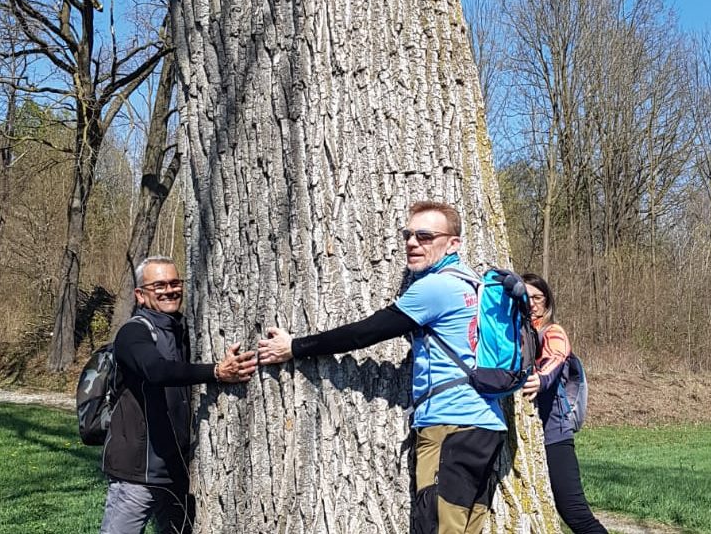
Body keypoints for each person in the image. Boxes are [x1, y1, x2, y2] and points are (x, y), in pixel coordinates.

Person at [258, 201, 507, 534]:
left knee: (435, 528)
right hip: (488, 427)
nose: (412, 243)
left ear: (453, 243)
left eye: (425, 236)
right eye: (408, 234)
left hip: (450, 427)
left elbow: (365, 332)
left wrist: (295, 347)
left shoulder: (435, 288)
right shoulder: (475, 285)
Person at [100, 256, 258, 534]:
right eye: (158, 285)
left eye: (175, 283)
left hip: (178, 472)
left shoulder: (185, 330)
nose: (169, 290)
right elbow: (156, 371)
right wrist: (216, 372)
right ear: (140, 294)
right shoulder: (133, 333)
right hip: (136, 474)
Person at [520, 273, 607, 534]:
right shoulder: (520, 333)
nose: (532, 303)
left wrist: (541, 379)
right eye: (526, 297)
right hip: (531, 436)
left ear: (547, 303)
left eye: (538, 297)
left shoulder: (553, 331)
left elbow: (556, 357)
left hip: (554, 435)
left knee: (574, 512)